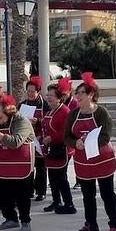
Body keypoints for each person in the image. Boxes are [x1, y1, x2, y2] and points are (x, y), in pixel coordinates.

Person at [64, 72, 116, 231]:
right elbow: (66, 136)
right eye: (76, 93)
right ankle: (91, 224)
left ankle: (114, 225)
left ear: (91, 95)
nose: (77, 96)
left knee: (107, 193)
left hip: (102, 158)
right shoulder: (73, 114)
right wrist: (75, 143)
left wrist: (89, 143)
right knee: (88, 195)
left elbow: (106, 136)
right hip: (83, 160)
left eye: (81, 93)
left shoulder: (101, 112)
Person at [0, 94, 35, 231]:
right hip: (3, 161)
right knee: (2, 193)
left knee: (22, 194)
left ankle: (25, 221)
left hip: (22, 161)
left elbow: (15, 142)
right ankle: (10, 219)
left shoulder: (21, 120)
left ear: (8, 111)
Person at [42, 82, 76, 214]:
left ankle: (69, 204)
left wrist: (52, 138)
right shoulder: (50, 110)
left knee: (61, 178)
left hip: (62, 150)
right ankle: (56, 201)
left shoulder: (64, 111)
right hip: (51, 149)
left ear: (59, 97)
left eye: (51, 95)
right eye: (47, 95)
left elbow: (67, 131)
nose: (48, 97)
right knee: (52, 177)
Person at [18, 76, 48, 201]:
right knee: (28, 166)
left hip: (40, 138)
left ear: (38, 92)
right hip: (26, 139)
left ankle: (41, 191)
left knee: (41, 166)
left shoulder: (44, 104)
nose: (30, 94)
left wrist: (38, 121)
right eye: (28, 91)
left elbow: (48, 120)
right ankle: (28, 190)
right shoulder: (21, 104)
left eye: (33, 91)